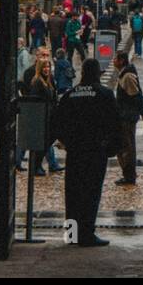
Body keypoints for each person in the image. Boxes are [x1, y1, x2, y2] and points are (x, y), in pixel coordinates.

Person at [50, 58, 121, 247]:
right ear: (97, 73)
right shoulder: (104, 94)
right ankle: (87, 233)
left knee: (73, 193)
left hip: (75, 151)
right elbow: (115, 122)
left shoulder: (70, 95)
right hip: (96, 150)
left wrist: (67, 141)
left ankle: (72, 234)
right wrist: (111, 147)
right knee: (91, 193)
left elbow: (57, 122)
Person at [112, 51, 143, 186]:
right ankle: (128, 173)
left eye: (115, 59)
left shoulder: (128, 76)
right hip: (125, 115)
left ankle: (129, 175)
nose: (113, 61)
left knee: (127, 147)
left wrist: (140, 112)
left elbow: (135, 96)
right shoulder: (124, 74)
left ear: (121, 61)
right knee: (125, 145)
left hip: (127, 117)